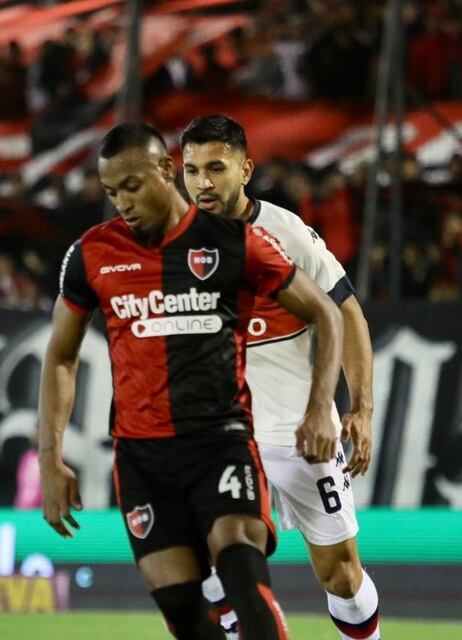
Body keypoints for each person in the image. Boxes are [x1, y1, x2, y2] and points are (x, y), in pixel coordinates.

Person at [38, 123, 344, 640]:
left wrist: (320, 408)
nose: (123, 204)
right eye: (112, 193)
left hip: (220, 444)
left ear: (165, 169)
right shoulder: (91, 255)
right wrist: (50, 456)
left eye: (132, 186)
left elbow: (326, 313)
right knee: (185, 613)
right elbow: (61, 356)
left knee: (243, 577)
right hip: (142, 459)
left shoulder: (233, 242)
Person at [181, 115, 381, 640]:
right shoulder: (172, 247)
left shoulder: (286, 233)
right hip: (221, 438)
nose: (203, 182)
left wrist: (359, 407)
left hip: (300, 433)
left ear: (245, 170)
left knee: (340, 577)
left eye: (216, 168)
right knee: (207, 568)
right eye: (192, 169)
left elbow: (348, 314)